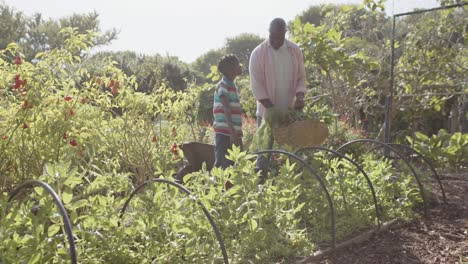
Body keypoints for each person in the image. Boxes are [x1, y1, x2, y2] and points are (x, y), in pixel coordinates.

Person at [249, 17, 307, 176]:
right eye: (273, 36)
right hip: (268, 114)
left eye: (279, 37)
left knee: (294, 152)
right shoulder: (258, 53)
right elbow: (257, 86)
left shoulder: (294, 51)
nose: (276, 40)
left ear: (285, 33)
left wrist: (300, 96)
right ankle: (260, 186)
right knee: (264, 153)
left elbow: (301, 77)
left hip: (290, 113)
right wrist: (273, 111)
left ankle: (295, 186)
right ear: (269, 33)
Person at [213, 54, 243, 169]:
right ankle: (216, 185)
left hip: (233, 132)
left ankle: (232, 186)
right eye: (237, 65)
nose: (240, 67)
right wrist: (232, 134)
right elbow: (226, 109)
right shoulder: (223, 85)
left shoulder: (232, 85)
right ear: (231, 69)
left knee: (237, 163)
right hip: (226, 133)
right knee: (222, 164)